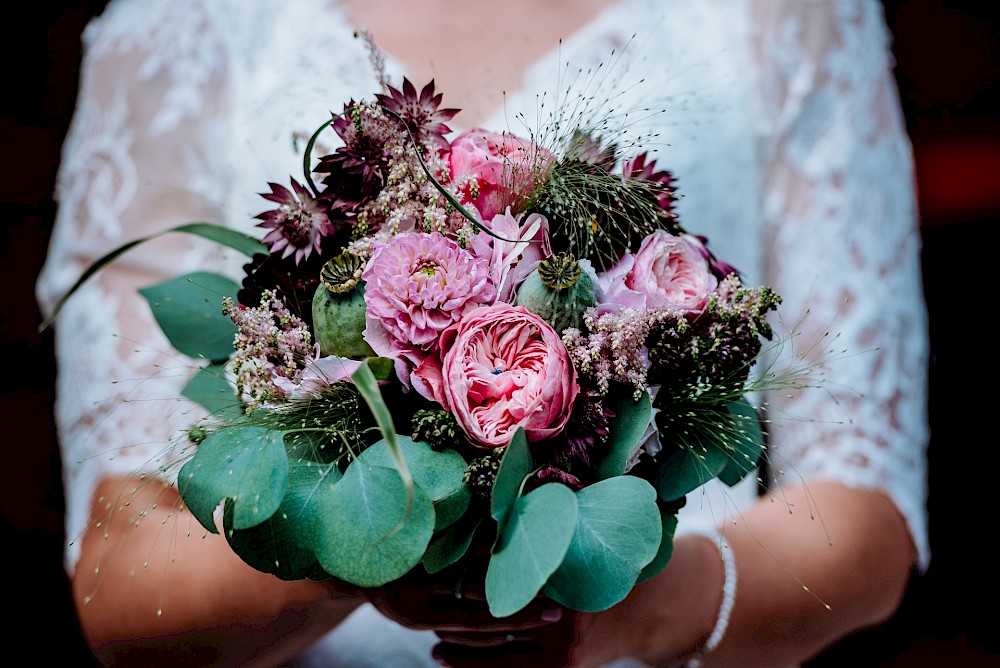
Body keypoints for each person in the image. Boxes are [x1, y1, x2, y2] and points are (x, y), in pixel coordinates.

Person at [36, 0, 929, 666]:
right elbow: (121, 581)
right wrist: (360, 556)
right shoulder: (182, 29)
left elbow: (864, 520)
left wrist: (624, 615)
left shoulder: (784, 17)